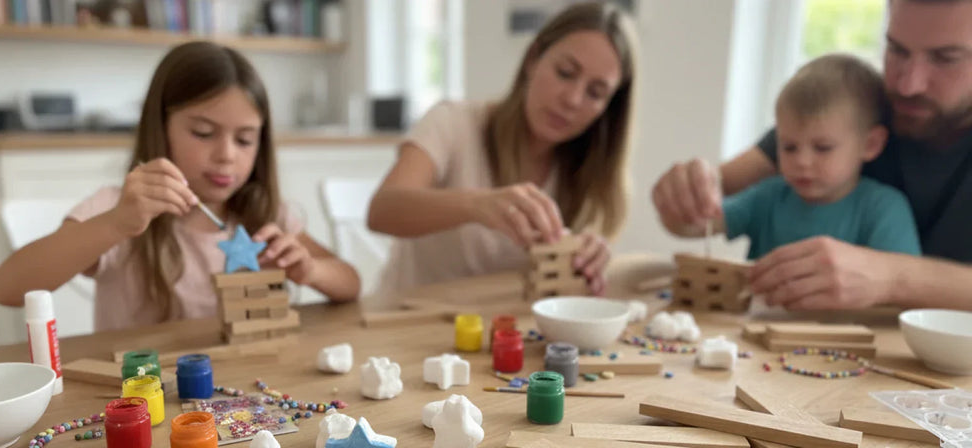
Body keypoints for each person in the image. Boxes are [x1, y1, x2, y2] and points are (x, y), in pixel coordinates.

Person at [0, 42, 360, 330]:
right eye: (203, 132)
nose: (226, 155)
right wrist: (116, 224)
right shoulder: (118, 209)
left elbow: (351, 284)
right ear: (160, 126)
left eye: (245, 140)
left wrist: (311, 270)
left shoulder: (266, 214)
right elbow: (9, 288)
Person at [652, 0, 972, 311]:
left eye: (946, 58)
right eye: (896, 50)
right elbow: (711, 195)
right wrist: (683, 192)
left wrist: (893, 277)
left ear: (871, 143)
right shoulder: (858, 107)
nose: (907, 84)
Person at [365, 2, 638, 308]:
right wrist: (478, 205)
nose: (573, 99)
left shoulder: (588, 171)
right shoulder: (452, 122)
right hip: (406, 325)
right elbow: (382, 211)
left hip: (503, 335)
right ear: (533, 59)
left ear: (610, 109)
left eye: (595, 93)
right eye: (565, 73)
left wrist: (587, 259)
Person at [663, 54, 921, 260]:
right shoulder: (768, 196)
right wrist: (679, 207)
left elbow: (905, 289)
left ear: (870, 144)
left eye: (822, 148)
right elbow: (695, 226)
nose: (802, 161)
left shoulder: (884, 209)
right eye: (788, 147)